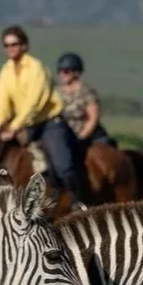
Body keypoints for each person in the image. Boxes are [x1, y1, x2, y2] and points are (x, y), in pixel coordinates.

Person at [0, 24, 64, 191]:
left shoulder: (36, 67)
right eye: (6, 45)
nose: (10, 48)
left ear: (25, 46)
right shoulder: (5, 70)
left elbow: (34, 103)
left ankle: (76, 200)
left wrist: (15, 127)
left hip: (49, 123)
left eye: (14, 44)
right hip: (25, 124)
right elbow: (2, 103)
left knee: (62, 164)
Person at [49, 52, 102, 203]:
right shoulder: (56, 92)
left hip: (86, 134)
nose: (62, 74)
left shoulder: (86, 91)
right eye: (60, 71)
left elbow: (93, 117)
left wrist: (82, 136)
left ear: (75, 72)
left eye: (66, 71)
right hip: (62, 133)